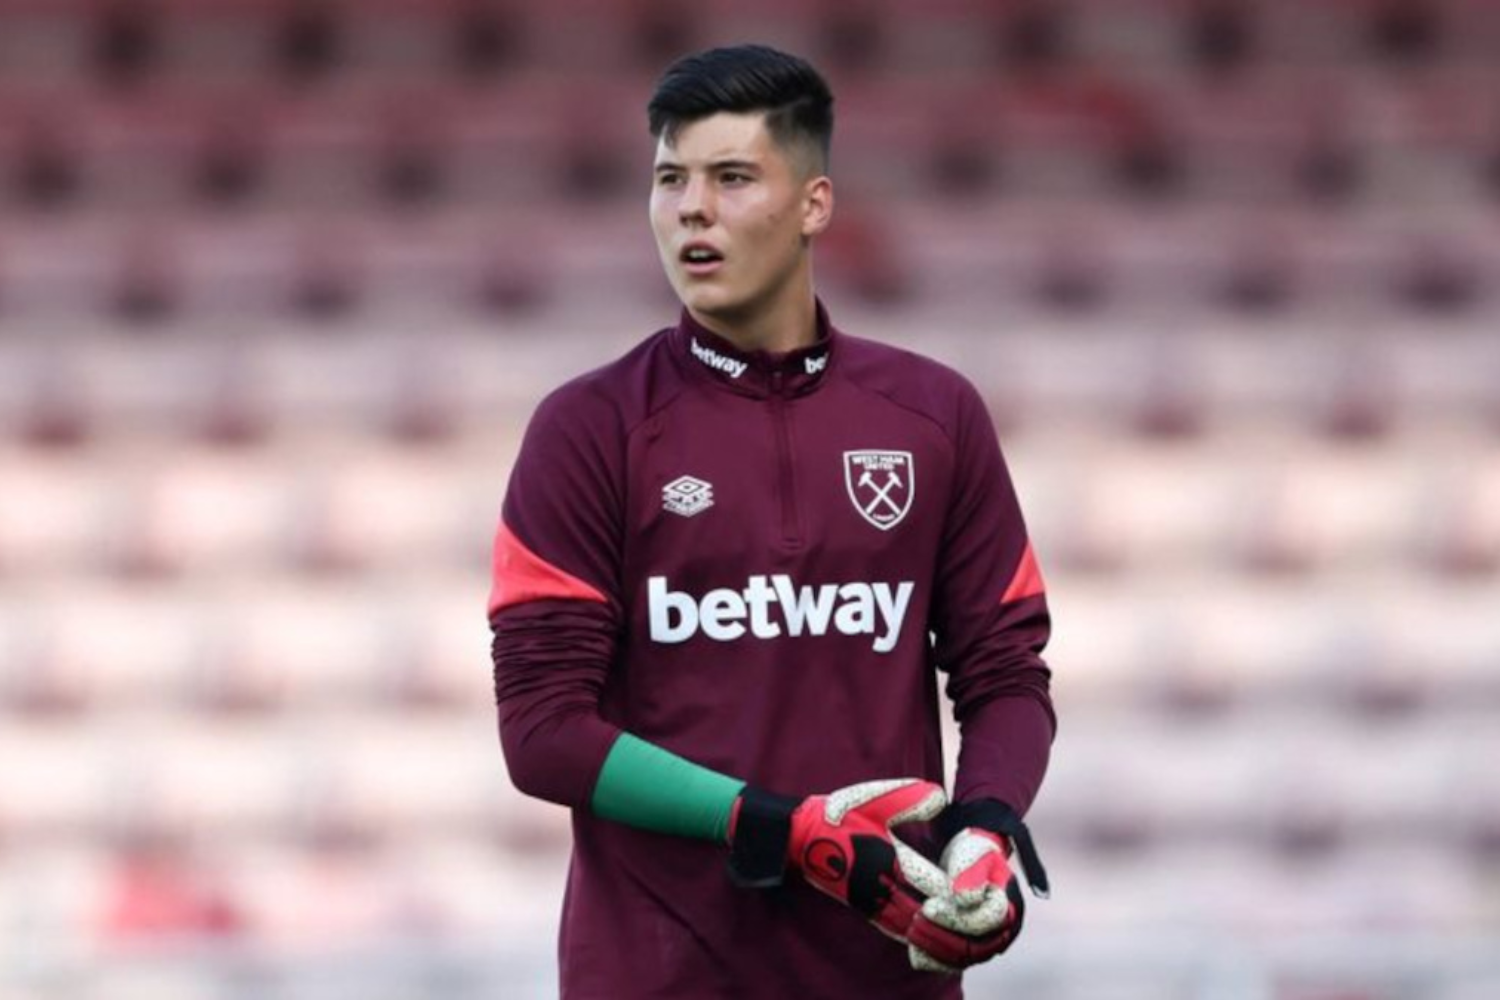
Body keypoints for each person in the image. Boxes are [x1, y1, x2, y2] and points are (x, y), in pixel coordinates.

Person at [487, 43, 1054, 999]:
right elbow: (542, 731)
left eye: (732, 177)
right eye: (670, 179)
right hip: (659, 979)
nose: (691, 208)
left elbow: (1006, 675)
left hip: (888, 977)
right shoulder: (588, 429)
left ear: (814, 205)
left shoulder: (933, 416)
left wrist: (986, 825)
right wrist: (778, 828)